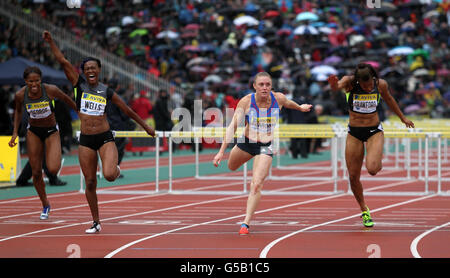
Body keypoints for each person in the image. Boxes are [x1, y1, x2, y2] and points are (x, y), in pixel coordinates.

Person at [43, 30, 155, 234]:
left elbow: (127, 110)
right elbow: (62, 61)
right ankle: (96, 221)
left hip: (104, 137)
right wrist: (51, 42)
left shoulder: (106, 91)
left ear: (99, 70)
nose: (91, 71)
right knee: (91, 181)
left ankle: (117, 170)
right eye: (87, 69)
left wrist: (146, 126)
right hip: (86, 139)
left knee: (110, 174)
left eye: (94, 67)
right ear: (84, 72)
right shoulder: (78, 86)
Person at [212, 72, 312, 235]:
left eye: (267, 84)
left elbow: (288, 103)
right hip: (246, 143)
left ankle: (246, 223)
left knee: (256, 183)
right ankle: (235, 157)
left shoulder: (278, 98)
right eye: (261, 85)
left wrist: (300, 107)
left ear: (271, 86)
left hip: (266, 145)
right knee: (231, 166)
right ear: (254, 86)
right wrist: (221, 152)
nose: (264, 88)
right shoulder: (246, 102)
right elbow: (232, 127)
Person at [327, 63, 415, 228]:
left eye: (370, 85)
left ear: (374, 79)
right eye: (365, 85)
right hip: (354, 132)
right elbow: (336, 88)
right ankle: (364, 210)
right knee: (353, 176)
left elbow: (389, 100)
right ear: (358, 81)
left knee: (373, 169)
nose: (368, 88)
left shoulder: (380, 84)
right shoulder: (349, 82)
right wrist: (333, 84)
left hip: (374, 130)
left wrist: (403, 118)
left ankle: (375, 156)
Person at [8, 66, 77, 220]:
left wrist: (82, 115)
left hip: (52, 130)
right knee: (36, 173)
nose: (34, 84)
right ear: (25, 81)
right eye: (30, 81)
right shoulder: (20, 95)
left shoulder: (50, 90)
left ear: (41, 79)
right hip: (33, 131)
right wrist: (14, 133)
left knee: (53, 169)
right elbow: (18, 112)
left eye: (37, 80)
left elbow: (67, 100)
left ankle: (52, 152)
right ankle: (45, 204)